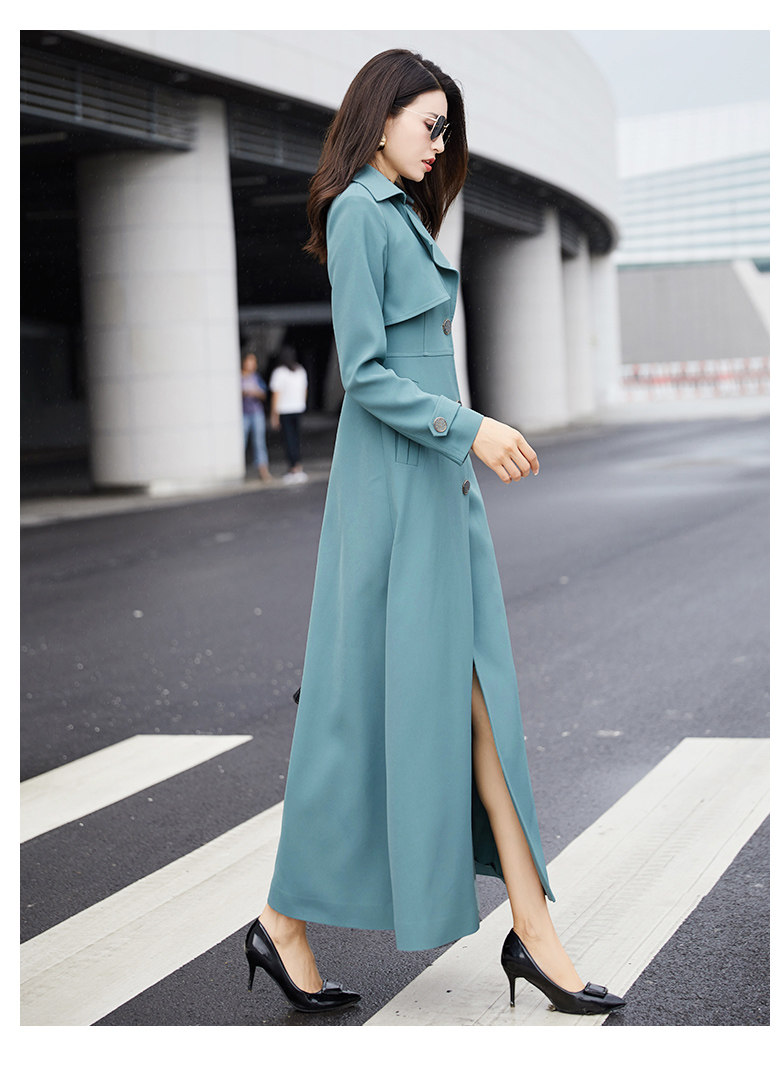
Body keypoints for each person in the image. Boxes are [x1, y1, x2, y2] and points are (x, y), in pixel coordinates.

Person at [244, 49, 626, 1018]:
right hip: (392, 498)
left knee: (480, 702)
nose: (440, 141)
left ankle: (531, 930)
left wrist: (461, 443)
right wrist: (473, 427)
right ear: (379, 119)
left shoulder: (407, 215)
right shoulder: (357, 214)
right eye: (429, 123)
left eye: (446, 127)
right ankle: (290, 921)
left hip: (438, 489)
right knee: (362, 716)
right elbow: (366, 373)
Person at [269, 345, 308, 483]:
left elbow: (276, 395)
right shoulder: (300, 371)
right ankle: (299, 467)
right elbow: (305, 390)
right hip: (298, 408)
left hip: (285, 410)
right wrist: (302, 403)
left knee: (288, 439)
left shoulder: (279, 373)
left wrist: (274, 415)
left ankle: (293, 468)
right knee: (296, 439)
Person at [240, 352, 271, 481]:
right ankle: (239, 469)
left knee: (259, 441)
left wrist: (255, 393)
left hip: (256, 412)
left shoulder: (256, 377)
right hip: (243, 414)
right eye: (249, 361)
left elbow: (264, 394)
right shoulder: (238, 377)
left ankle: (263, 470)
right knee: (241, 441)